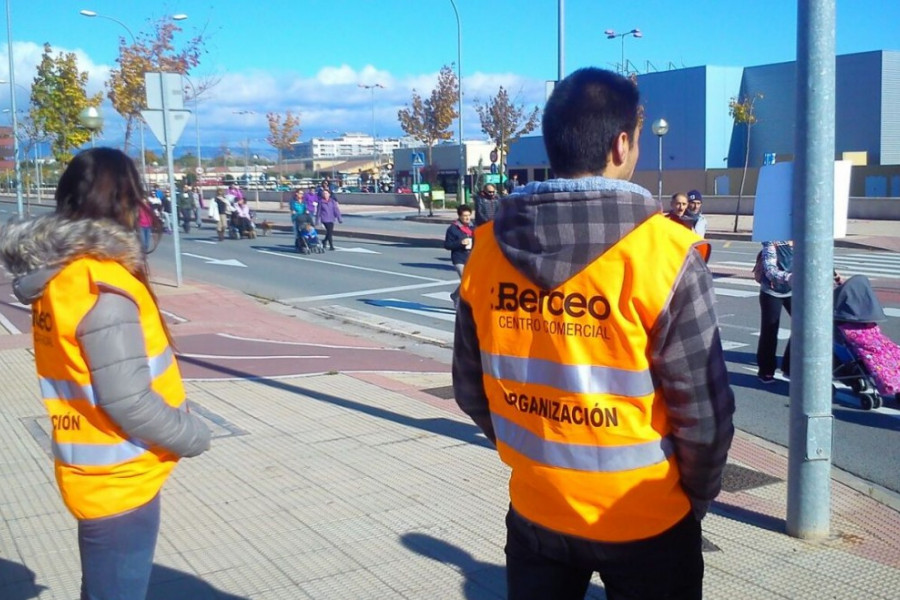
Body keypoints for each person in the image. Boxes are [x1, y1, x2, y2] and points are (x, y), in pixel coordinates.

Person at [452, 67, 734, 600]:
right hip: (647, 515)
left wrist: (536, 462)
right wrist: (693, 498)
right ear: (621, 142)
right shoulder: (665, 256)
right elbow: (705, 415)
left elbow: (470, 391)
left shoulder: (485, 252)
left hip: (537, 510)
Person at [0, 148, 211, 600]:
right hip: (120, 481)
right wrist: (193, 434)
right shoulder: (101, 284)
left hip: (91, 468)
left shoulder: (62, 279)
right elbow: (129, 400)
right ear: (123, 201)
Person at [756, 240, 793, 383]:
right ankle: (765, 370)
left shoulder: (803, 237)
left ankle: (789, 366)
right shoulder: (772, 242)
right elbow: (770, 270)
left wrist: (835, 276)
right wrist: (788, 277)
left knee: (803, 326)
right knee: (770, 331)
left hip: (793, 291)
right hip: (772, 292)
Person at [443, 204, 474, 308]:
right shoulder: (453, 229)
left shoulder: (472, 227)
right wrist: (460, 242)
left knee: (471, 280)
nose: (467, 218)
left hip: (471, 258)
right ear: (460, 216)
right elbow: (447, 245)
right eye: (465, 216)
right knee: (466, 280)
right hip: (459, 258)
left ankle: (455, 295)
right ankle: (464, 304)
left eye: (469, 215)